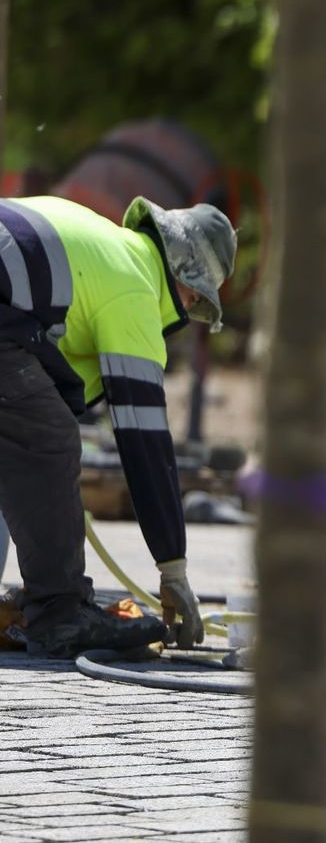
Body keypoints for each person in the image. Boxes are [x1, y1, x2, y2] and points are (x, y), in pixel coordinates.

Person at [0, 193, 237, 658]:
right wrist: (173, 570)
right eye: (195, 297)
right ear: (183, 276)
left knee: (23, 434)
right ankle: (61, 612)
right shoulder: (137, 287)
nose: (189, 311)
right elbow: (144, 443)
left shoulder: (107, 247)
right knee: (50, 441)